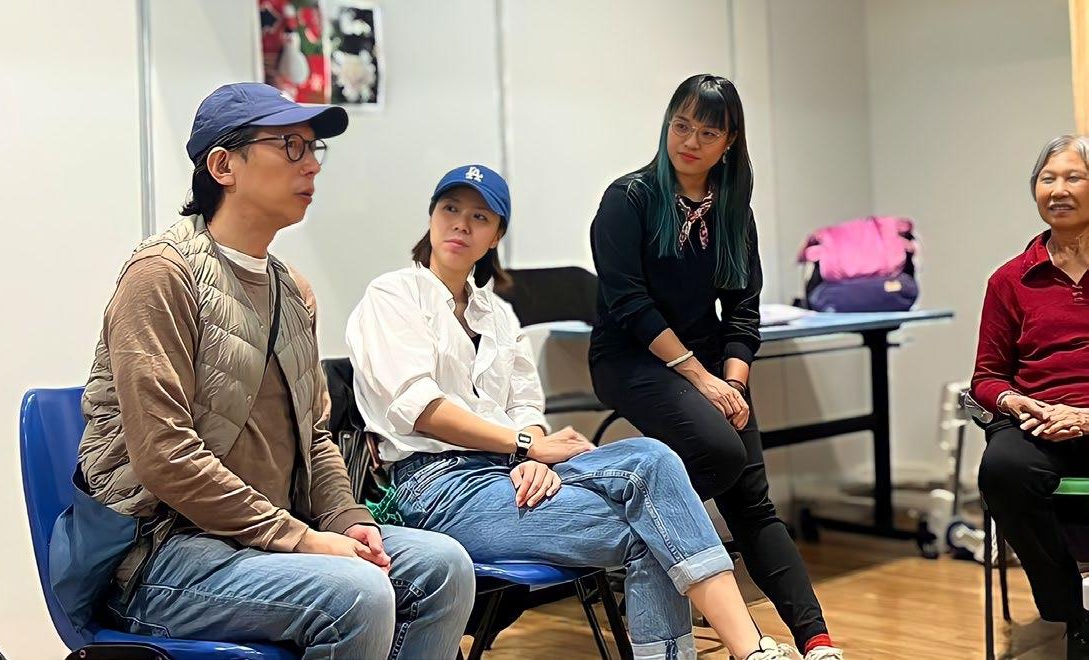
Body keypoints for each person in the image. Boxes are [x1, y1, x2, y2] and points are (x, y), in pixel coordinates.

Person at [70, 83, 474, 659]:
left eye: (313, 148)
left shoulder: (292, 290)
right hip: (160, 553)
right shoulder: (161, 276)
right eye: (290, 146)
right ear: (223, 166)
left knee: (444, 567)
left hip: (267, 537)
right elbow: (164, 455)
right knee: (356, 596)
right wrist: (301, 539)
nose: (311, 164)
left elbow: (315, 435)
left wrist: (346, 518)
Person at [346, 163, 796, 660]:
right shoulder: (392, 295)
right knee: (655, 532)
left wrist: (531, 453)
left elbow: (524, 404)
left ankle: (749, 650)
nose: (461, 224)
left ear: (496, 236)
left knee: (653, 457)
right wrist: (525, 446)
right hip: (436, 487)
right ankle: (751, 649)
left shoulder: (497, 313)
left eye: (480, 217)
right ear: (431, 216)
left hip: (508, 472)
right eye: (450, 209)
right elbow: (422, 410)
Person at [587, 74, 840, 659]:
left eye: (707, 132)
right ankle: (630, 526)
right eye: (681, 126)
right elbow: (630, 305)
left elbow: (743, 310)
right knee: (723, 453)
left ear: (729, 142)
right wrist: (701, 379)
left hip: (709, 368)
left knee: (752, 500)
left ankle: (816, 641)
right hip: (630, 357)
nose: (689, 142)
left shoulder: (731, 211)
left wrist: (733, 383)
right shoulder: (627, 200)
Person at [974, 134, 1089, 659]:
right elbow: (987, 377)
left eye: (1073, 177)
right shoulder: (1009, 280)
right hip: (1038, 421)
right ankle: (1073, 610)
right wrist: (1015, 403)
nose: (1058, 190)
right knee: (1004, 470)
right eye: (1048, 179)